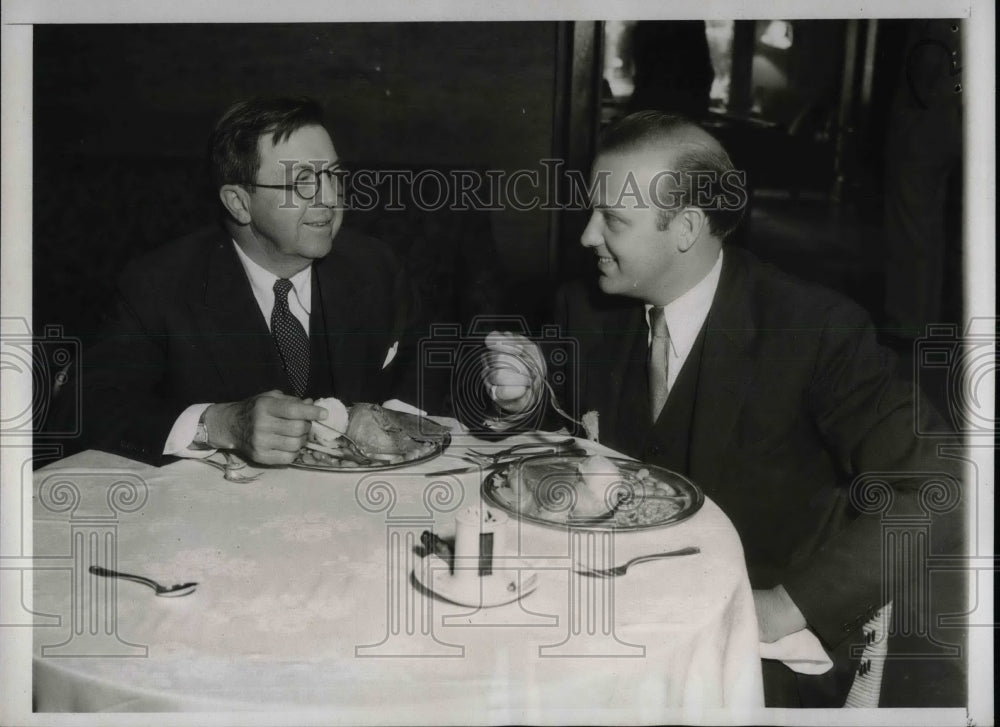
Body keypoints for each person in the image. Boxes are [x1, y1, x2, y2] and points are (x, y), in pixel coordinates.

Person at [480, 111, 963, 707]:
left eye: (612, 219)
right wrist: (523, 400)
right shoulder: (586, 307)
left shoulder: (814, 331)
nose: (585, 236)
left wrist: (785, 606)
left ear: (685, 228)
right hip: (600, 617)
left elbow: (940, 488)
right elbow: (559, 436)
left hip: (748, 658)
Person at [63, 97, 417, 466]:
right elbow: (83, 406)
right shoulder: (159, 286)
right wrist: (220, 424)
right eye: (303, 183)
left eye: (334, 176)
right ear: (239, 203)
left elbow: (427, 359)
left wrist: (394, 425)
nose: (329, 199)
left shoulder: (374, 265)